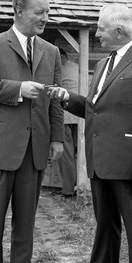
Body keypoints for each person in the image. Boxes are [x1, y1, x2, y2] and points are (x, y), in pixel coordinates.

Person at [48, 3, 132, 263]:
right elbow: (96, 108)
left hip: (130, 167)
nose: (97, 34)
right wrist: (68, 98)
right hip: (100, 165)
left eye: (101, 28)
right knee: (105, 229)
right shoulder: (104, 63)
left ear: (118, 31)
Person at [0, 0, 65, 263]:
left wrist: (57, 138)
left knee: (26, 226)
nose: (45, 17)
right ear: (19, 11)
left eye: (47, 12)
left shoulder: (52, 52)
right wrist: (19, 89)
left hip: (34, 152)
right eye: (39, 12)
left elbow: (55, 99)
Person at [53, 48, 79, 197]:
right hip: (80, 115)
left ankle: (68, 189)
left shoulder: (60, 69)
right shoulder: (77, 67)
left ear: (62, 56)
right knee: (76, 152)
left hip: (65, 115)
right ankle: (77, 185)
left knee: (66, 154)